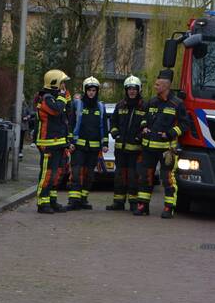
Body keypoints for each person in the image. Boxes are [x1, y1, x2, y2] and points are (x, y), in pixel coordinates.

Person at [134, 69, 191, 219]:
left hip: (167, 150)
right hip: (148, 148)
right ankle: (142, 206)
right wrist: (144, 126)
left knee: (167, 179)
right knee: (145, 177)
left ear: (166, 86)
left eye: (158, 84)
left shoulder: (177, 104)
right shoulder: (151, 102)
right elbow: (143, 118)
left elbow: (185, 125)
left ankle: (168, 207)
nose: (155, 86)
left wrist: (170, 133)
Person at [67, 76, 107, 210]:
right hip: (79, 146)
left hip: (94, 148)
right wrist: (70, 141)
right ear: (85, 91)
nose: (91, 93)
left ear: (97, 91)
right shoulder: (77, 104)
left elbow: (104, 127)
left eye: (94, 90)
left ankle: (83, 199)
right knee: (77, 173)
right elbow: (71, 123)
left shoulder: (100, 107)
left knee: (89, 175)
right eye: (89, 90)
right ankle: (73, 200)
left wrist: (105, 143)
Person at [107, 75, 146, 212]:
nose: (132, 91)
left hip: (136, 150)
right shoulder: (120, 105)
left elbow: (148, 126)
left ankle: (134, 203)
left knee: (133, 176)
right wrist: (115, 133)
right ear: (125, 90)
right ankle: (118, 202)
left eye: (134, 89)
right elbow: (113, 122)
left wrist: (140, 137)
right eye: (129, 89)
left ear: (139, 90)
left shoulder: (144, 107)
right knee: (119, 176)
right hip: (120, 149)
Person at [34, 69, 71, 214]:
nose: (64, 86)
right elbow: (56, 111)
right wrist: (63, 97)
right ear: (55, 83)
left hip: (59, 142)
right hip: (48, 143)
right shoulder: (46, 98)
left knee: (57, 173)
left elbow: (68, 113)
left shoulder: (56, 97)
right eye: (62, 83)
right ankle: (42, 202)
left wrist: (66, 99)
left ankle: (52, 200)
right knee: (47, 173)